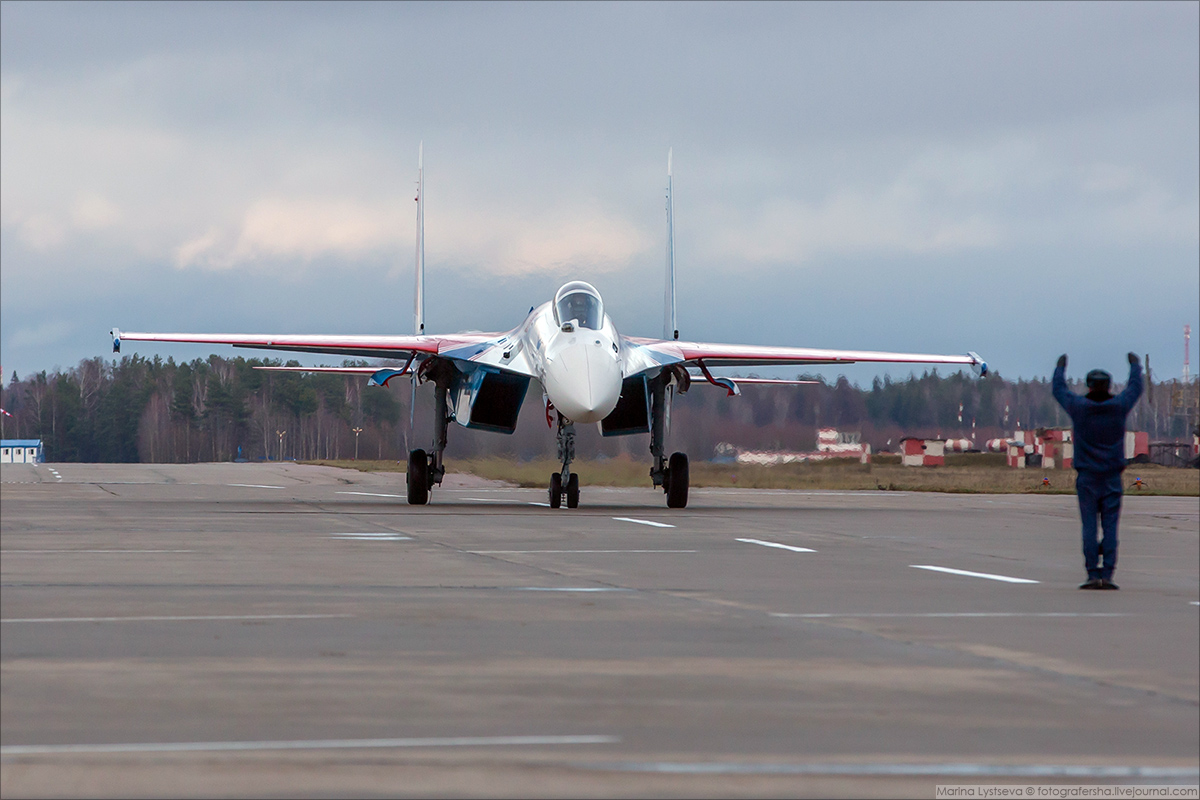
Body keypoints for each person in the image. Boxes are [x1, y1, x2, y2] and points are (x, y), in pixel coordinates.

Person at [1052, 352, 1143, 590]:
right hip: (1112, 477)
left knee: (1089, 526)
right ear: (1109, 385)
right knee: (1111, 527)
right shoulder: (1119, 407)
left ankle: (1093, 573)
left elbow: (1059, 391)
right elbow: (1135, 389)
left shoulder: (1079, 408)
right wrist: (1135, 366)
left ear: (1089, 386)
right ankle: (1108, 574)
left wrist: (1059, 368)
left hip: (1088, 478)